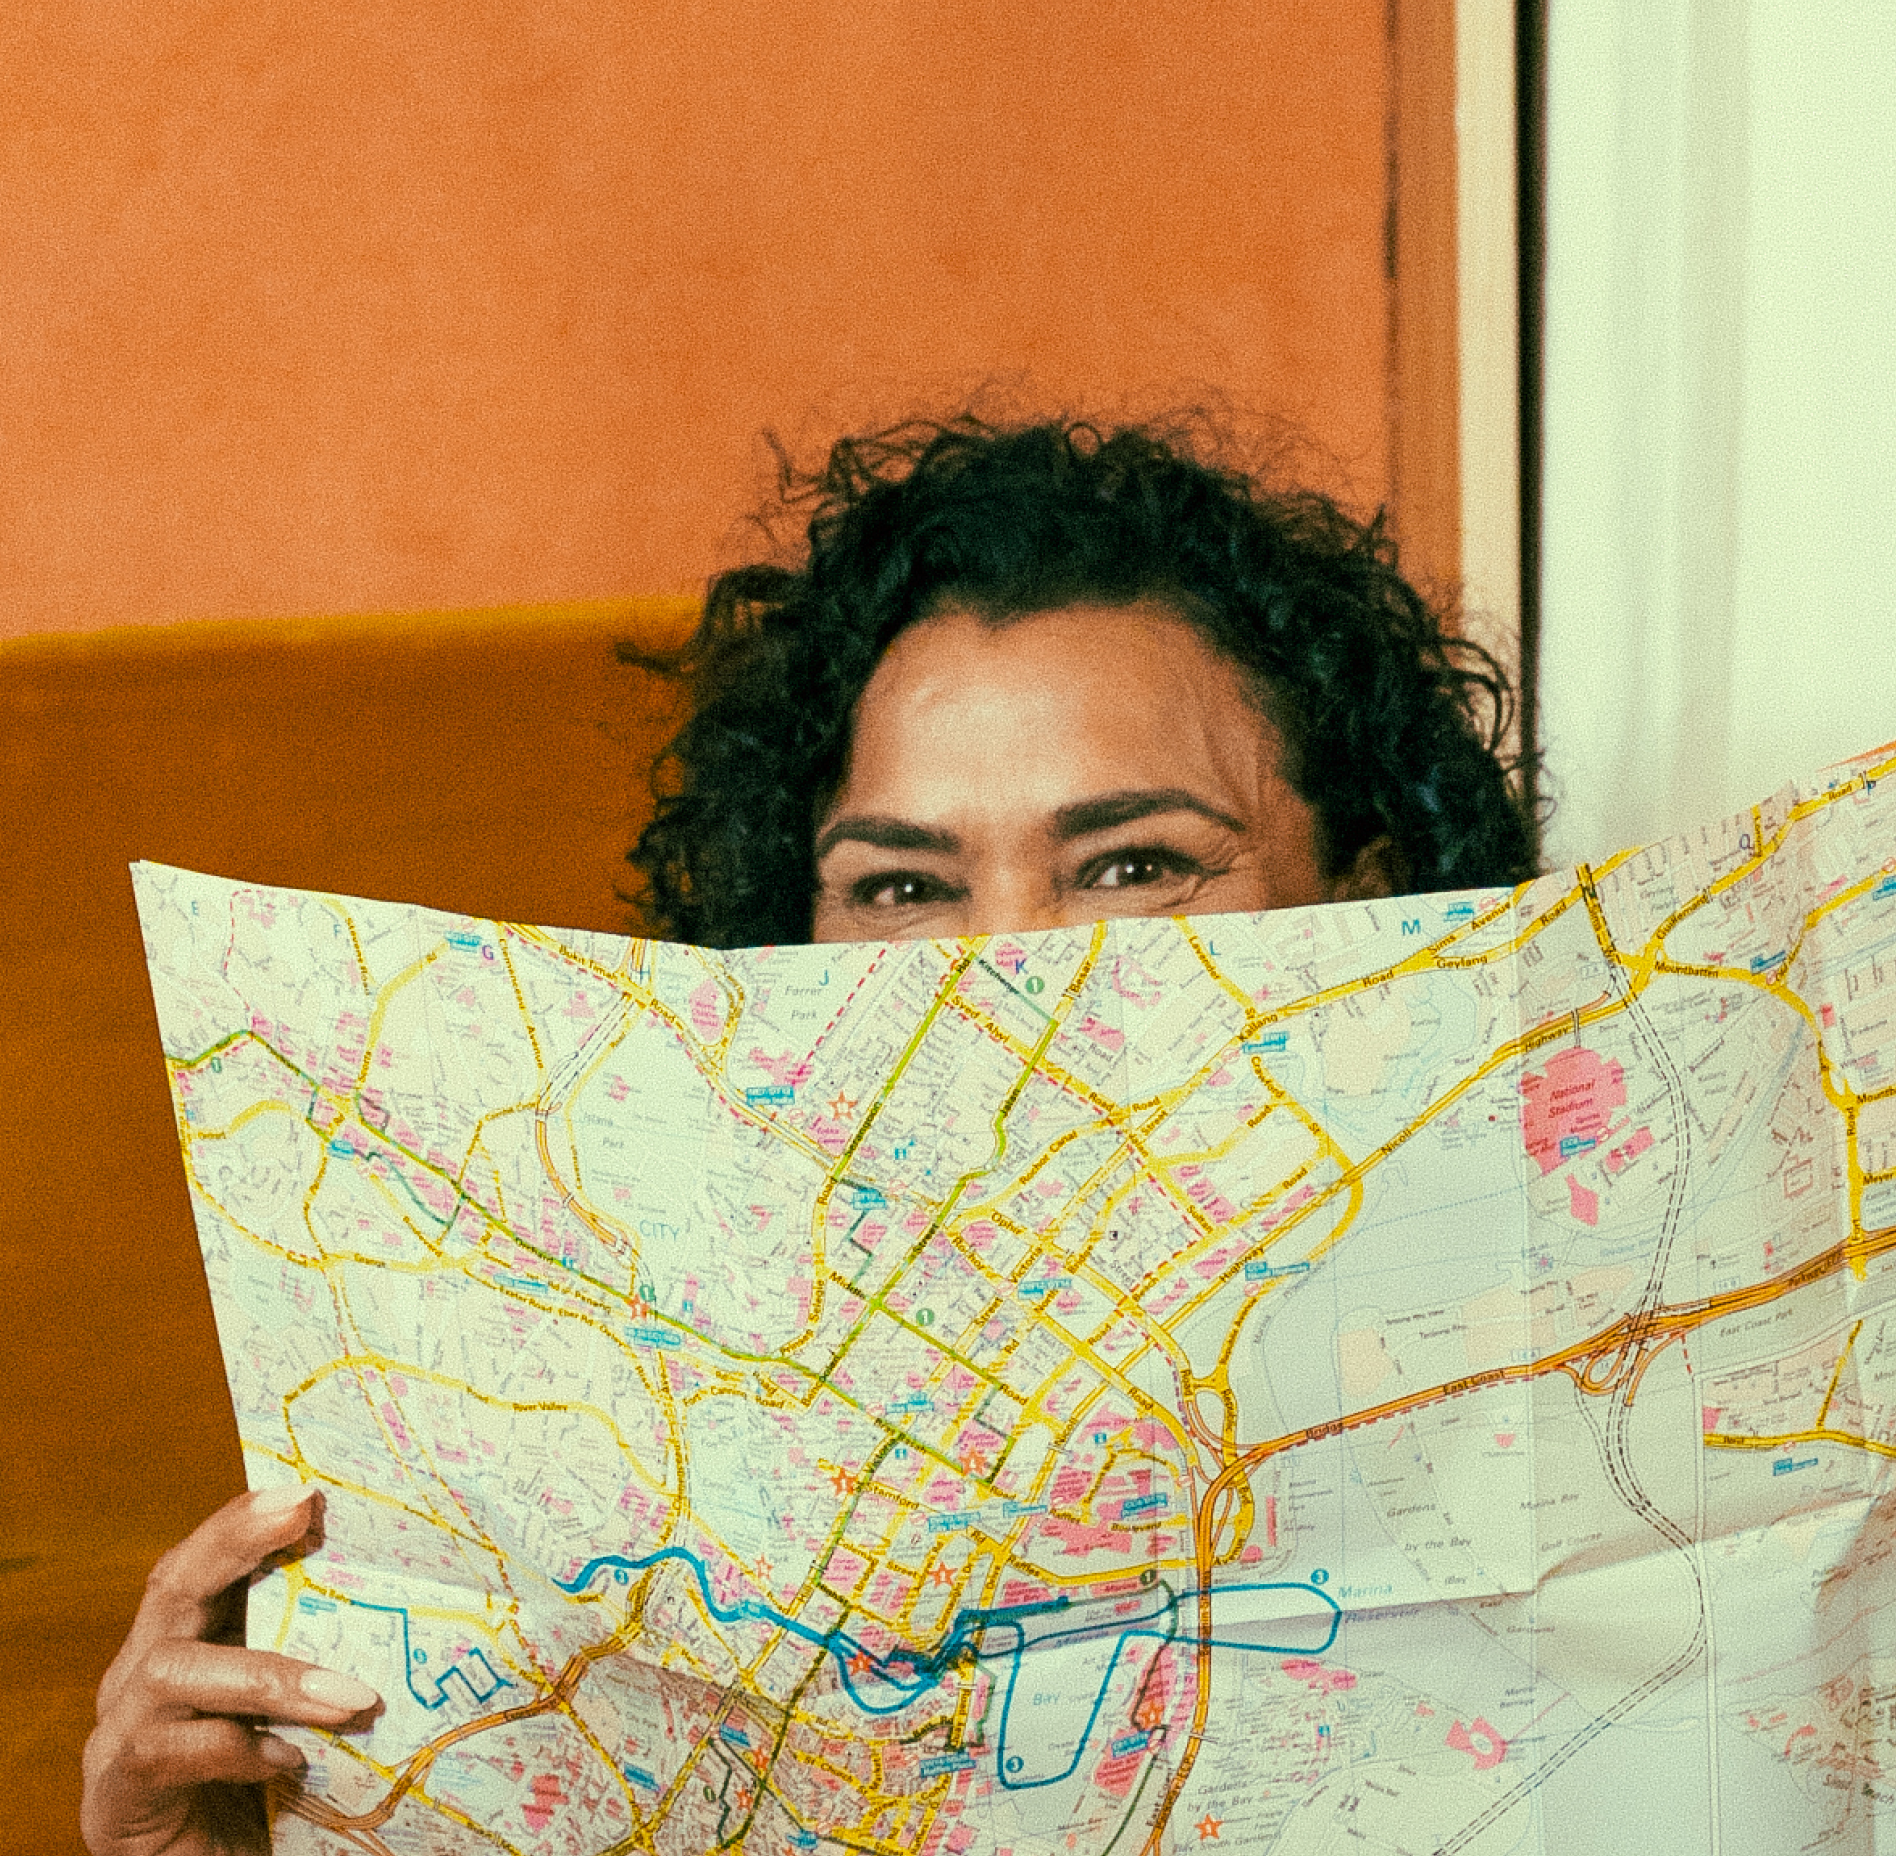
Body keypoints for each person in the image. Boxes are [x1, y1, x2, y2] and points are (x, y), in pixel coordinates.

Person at [82, 415, 1537, 1855]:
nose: (997, 976)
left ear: (1379, 897)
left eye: (1133, 865)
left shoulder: (1579, 1377)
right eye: (903, 887)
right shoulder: (544, 1444)